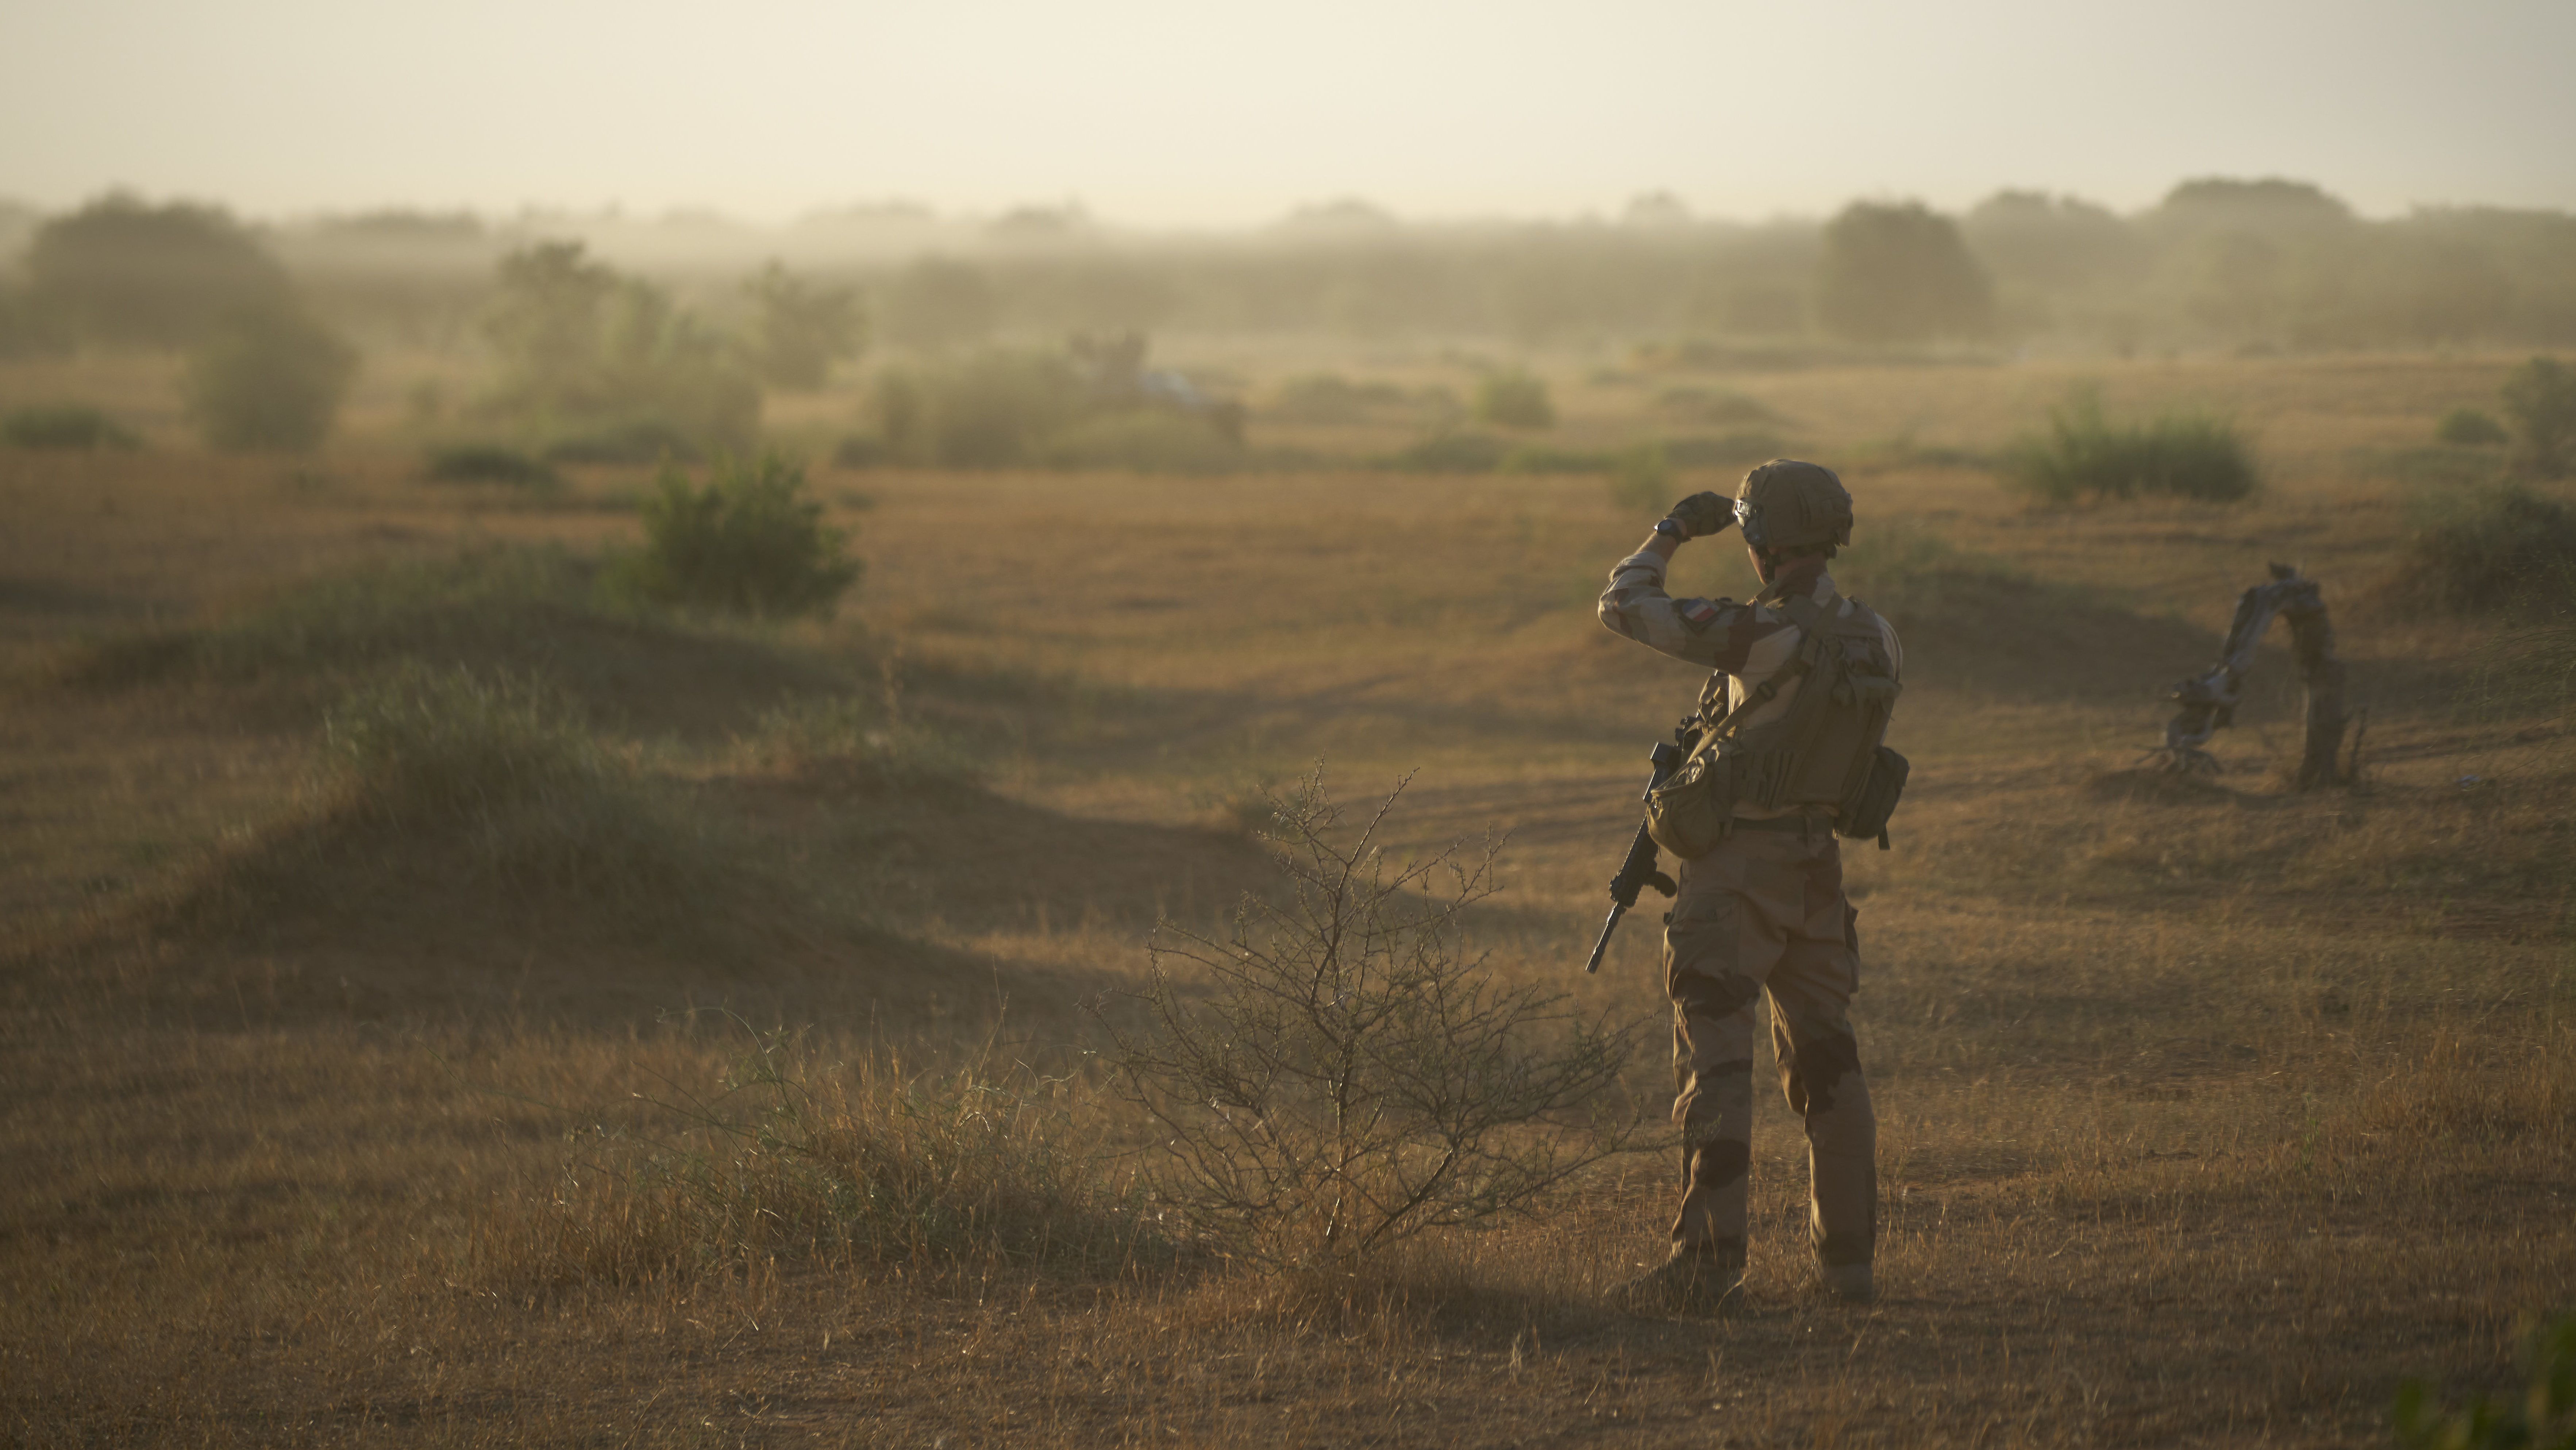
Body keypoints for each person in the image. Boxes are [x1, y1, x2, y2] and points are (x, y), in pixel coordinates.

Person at [1594, 459, 1901, 1314]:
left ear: (1758, 540)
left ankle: (1707, 1266)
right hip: (1816, 870)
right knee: (1829, 1064)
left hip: (1735, 875)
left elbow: (1621, 603)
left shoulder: (1758, 634)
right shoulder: (1874, 634)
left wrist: (1670, 531)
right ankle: (1847, 1265)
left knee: (1716, 1066)